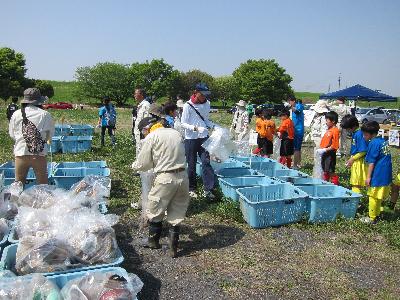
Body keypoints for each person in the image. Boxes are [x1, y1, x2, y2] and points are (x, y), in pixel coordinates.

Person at [131, 117, 190, 258]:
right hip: (183, 176)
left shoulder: (152, 137)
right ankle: (173, 247)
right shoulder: (176, 133)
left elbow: (144, 163)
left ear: (147, 129)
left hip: (165, 178)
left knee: (155, 208)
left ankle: (153, 241)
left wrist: (134, 166)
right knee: (177, 212)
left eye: (143, 132)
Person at [8, 88, 55, 185]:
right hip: (39, 154)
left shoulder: (16, 114)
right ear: (39, 101)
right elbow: (50, 135)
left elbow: (12, 134)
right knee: (42, 186)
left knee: (18, 184)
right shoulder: (45, 114)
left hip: (21, 153)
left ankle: (15, 200)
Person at [181, 83, 216, 199]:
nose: (204, 97)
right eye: (202, 94)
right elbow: (183, 123)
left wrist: (213, 125)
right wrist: (195, 128)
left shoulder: (207, 104)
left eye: (206, 95)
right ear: (195, 93)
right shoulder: (187, 105)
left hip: (204, 136)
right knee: (191, 164)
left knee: (206, 162)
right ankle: (192, 188)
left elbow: (205, 120)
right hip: (191, 138)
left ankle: (208, 189)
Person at [361, 121, 393, 224]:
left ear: (371, 134)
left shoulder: (373, 143)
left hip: (378, 174)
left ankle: (371, 218)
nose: (363, 136)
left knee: (372, 196)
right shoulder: (382, 141)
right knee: (378, 196)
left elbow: (371, 162)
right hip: (386, 174)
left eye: (365, 134)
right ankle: (377, 214)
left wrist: (368, 177)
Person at [340, 115, 368, 194]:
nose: (347, 130)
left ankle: (355, 202)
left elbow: (363, 151)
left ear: (353, 126)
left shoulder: (359, 134)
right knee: (356, 183)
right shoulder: (356, 133)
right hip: (356, 160)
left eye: (348, 128)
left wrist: (352, 159)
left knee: (356, 184)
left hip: (359, 161)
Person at [317, 111, 340, 185]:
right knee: (325, 170)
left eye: (327, 120)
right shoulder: (329, 130)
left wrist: (324, 149)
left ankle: (336, 184)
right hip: (325, 153)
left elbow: (334, 145)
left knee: (330, 171)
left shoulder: (335, 130)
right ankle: (325, 184)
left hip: (330, 154)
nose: (326, 122)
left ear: (333, 121)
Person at [133, 88, 151, 156]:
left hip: (142, 134)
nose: (134, 95)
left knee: (142, 152)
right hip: (138, 133)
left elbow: (147, 121)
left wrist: (143, 135)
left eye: (136, 94)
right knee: (138, 150)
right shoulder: (141, 105)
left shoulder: (146, 105)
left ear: (141, 95)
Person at [288, 97, 304, 169]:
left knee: (296, 148)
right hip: (295, 129)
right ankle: (298, 163)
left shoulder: (298, 105)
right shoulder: (293, 106)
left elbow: (297, 111)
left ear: (293, 101)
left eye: (290, 102)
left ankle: (295, 165)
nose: (289, 103)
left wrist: (291, 107)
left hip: (298, 130)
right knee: (298, 148)